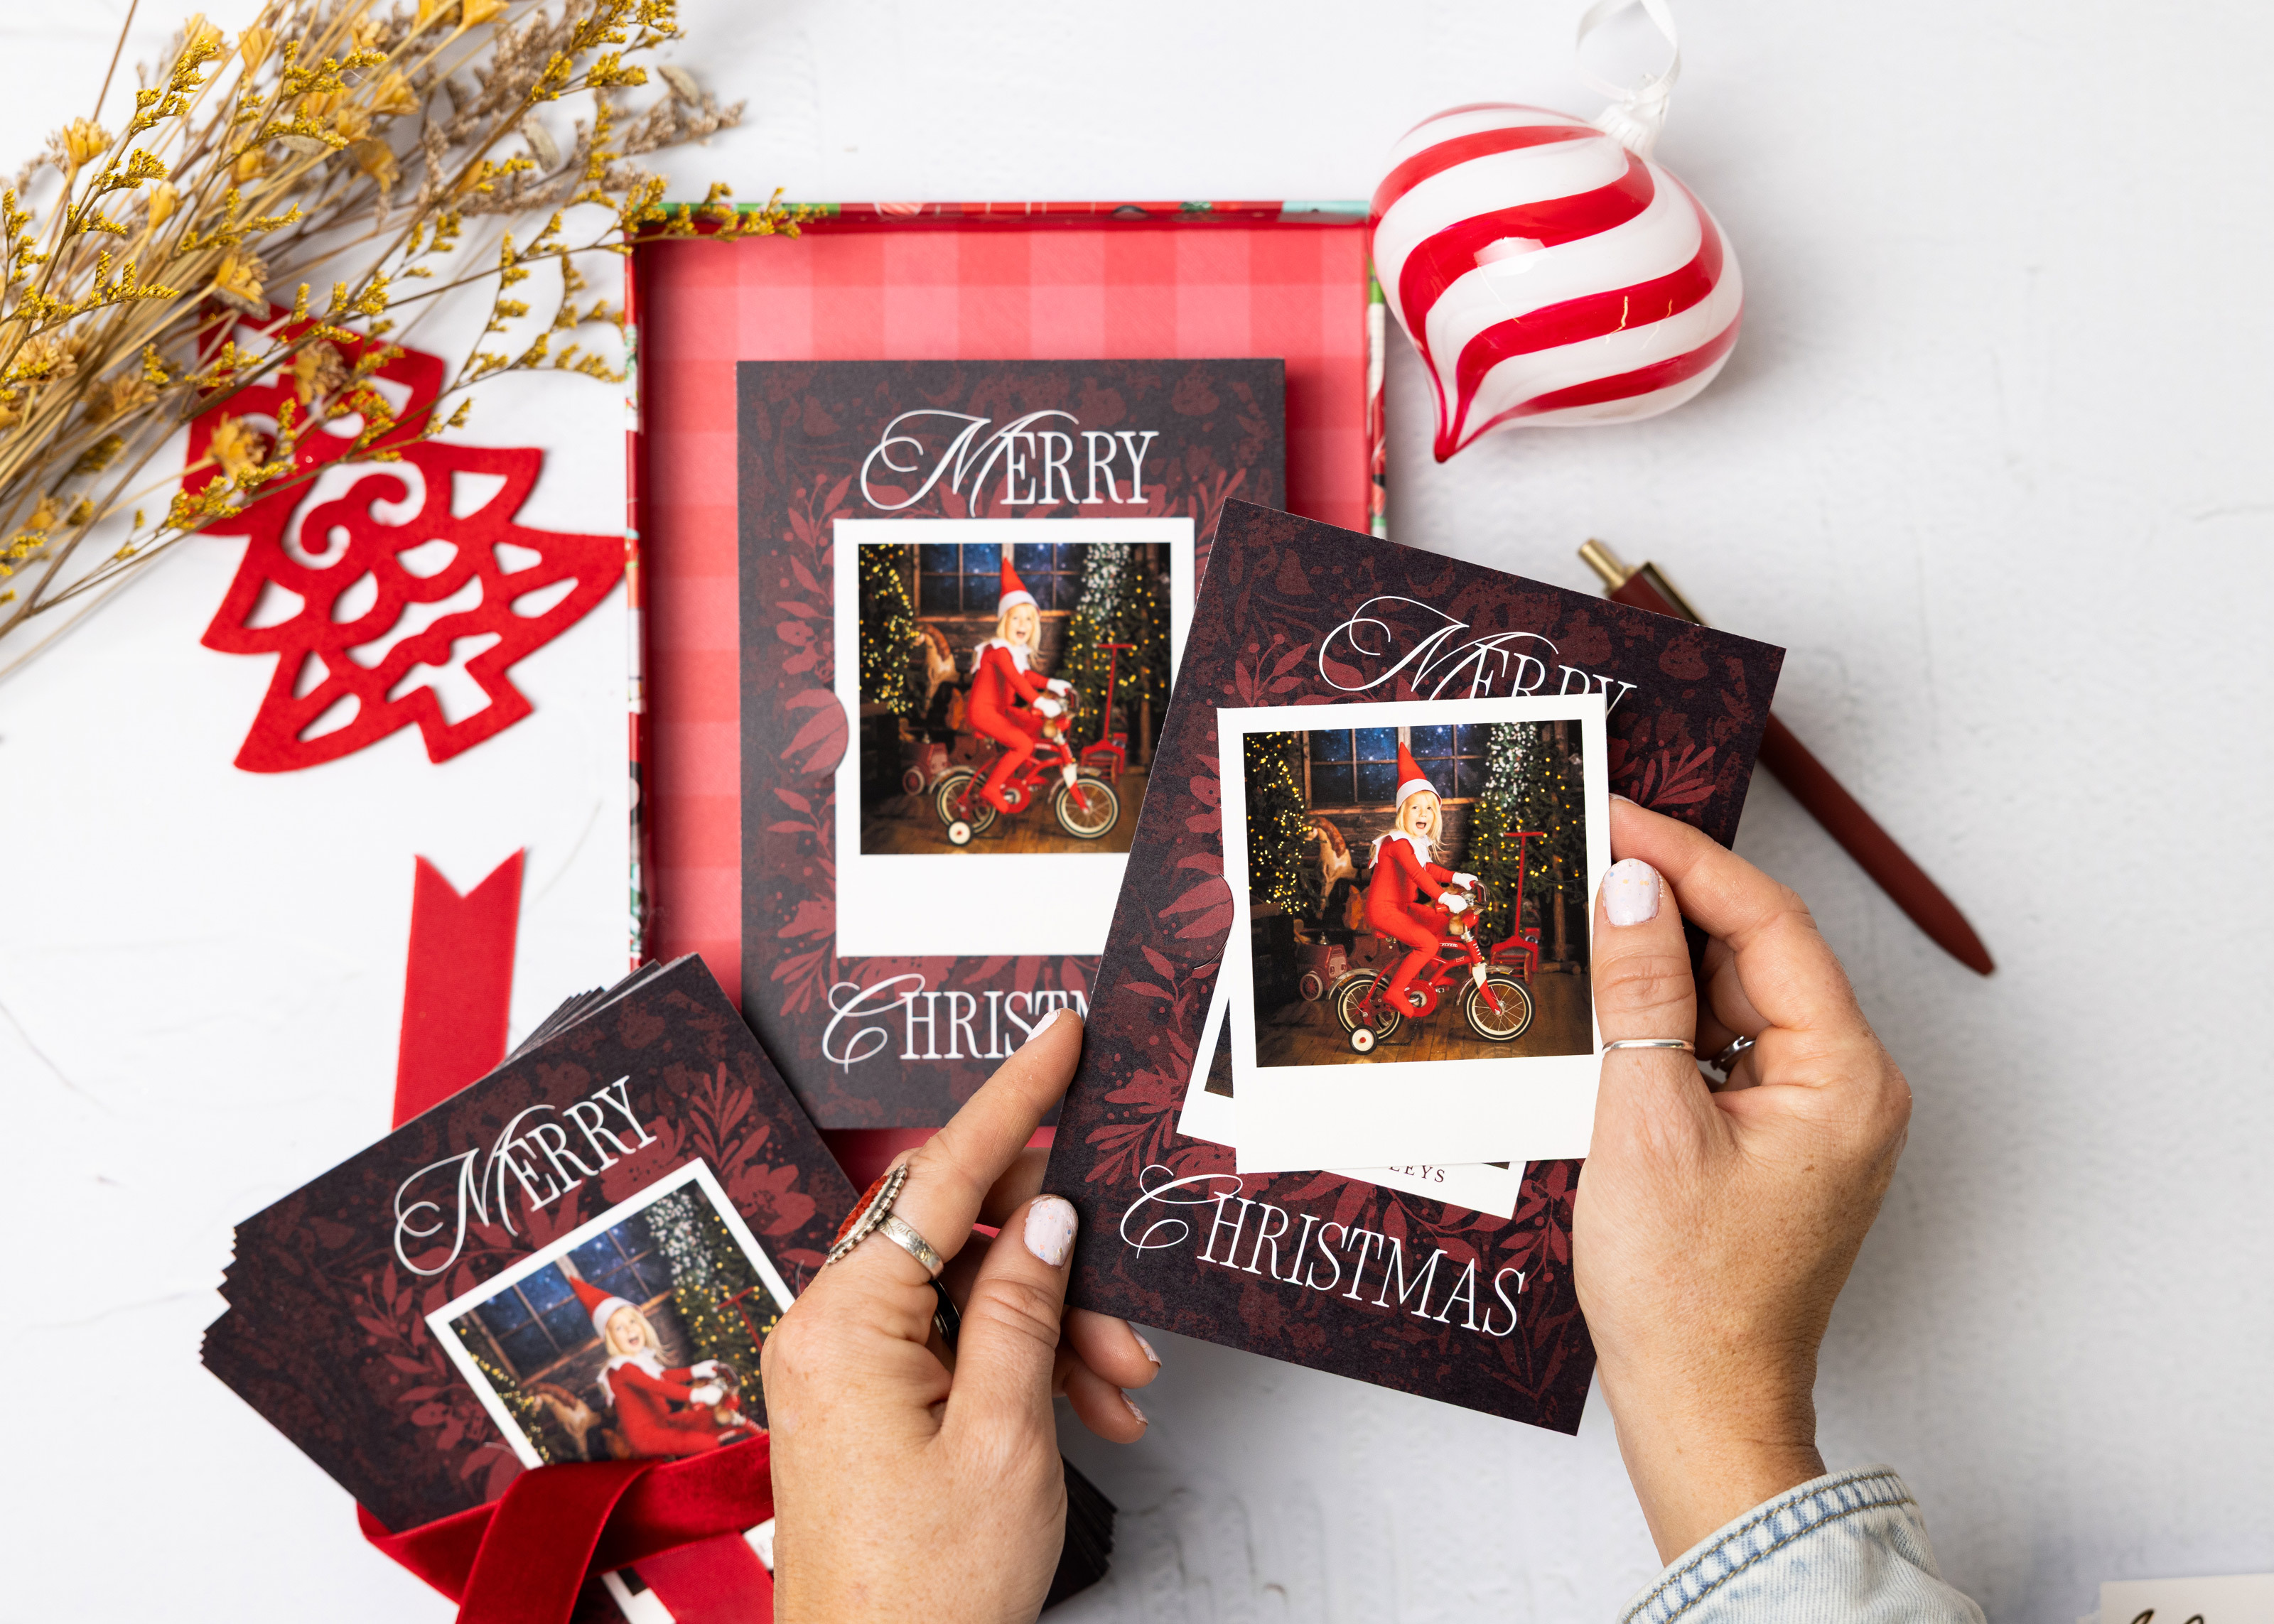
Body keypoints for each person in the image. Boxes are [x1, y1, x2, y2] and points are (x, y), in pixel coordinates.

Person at [759, 798, 1985, 1621]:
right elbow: (1397, 897)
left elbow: (1434, 883)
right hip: (1389, 934)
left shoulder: (1425, 846)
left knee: (1454, 955)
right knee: (1415, 961)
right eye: (1402, 818)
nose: (1410, 825)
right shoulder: (1389, 859)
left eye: (1416, 817)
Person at [567, 1274, 758, 1458]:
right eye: (619, 1328)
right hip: (646, 1438)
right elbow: (658, 1386)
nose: (630, 1329)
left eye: (633, 1322)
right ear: (610, 1339)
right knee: (707, 1444)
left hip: (664, 1423)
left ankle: (746, 1446)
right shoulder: (622, 1369)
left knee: (708, 1420)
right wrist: (697, 1395)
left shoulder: (639, 1360)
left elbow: (663, 1377)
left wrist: (695, 1370)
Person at [1364, 741, 1480, 1014]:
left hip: (1402, 908)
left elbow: (1428, 869)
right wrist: (1444, 897)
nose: (1423, 814)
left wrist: (1458, 877)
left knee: (1439, 921)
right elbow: (1417, 874)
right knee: (1427, 942)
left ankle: (1428, 976)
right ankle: (1395, 991)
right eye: (1415, 808)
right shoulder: (1397, 843)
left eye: (1428, 809)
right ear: (1402, 811)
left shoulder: (1416, 844)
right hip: (1384, 911)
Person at [966, 556, 1073, 818]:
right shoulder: (998, 651)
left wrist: (1050, 683)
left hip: (1001, 710)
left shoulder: (1014, 653)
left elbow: (1025, 674)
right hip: (984, 713)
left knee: (1034, 726)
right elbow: (1016, 679)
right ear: (1004, 620)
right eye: (1016, 618)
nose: (1023, 625)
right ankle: (992, 788)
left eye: (1028, 619)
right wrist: (1040, 702)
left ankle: (1021, 774)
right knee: (1024, 744)